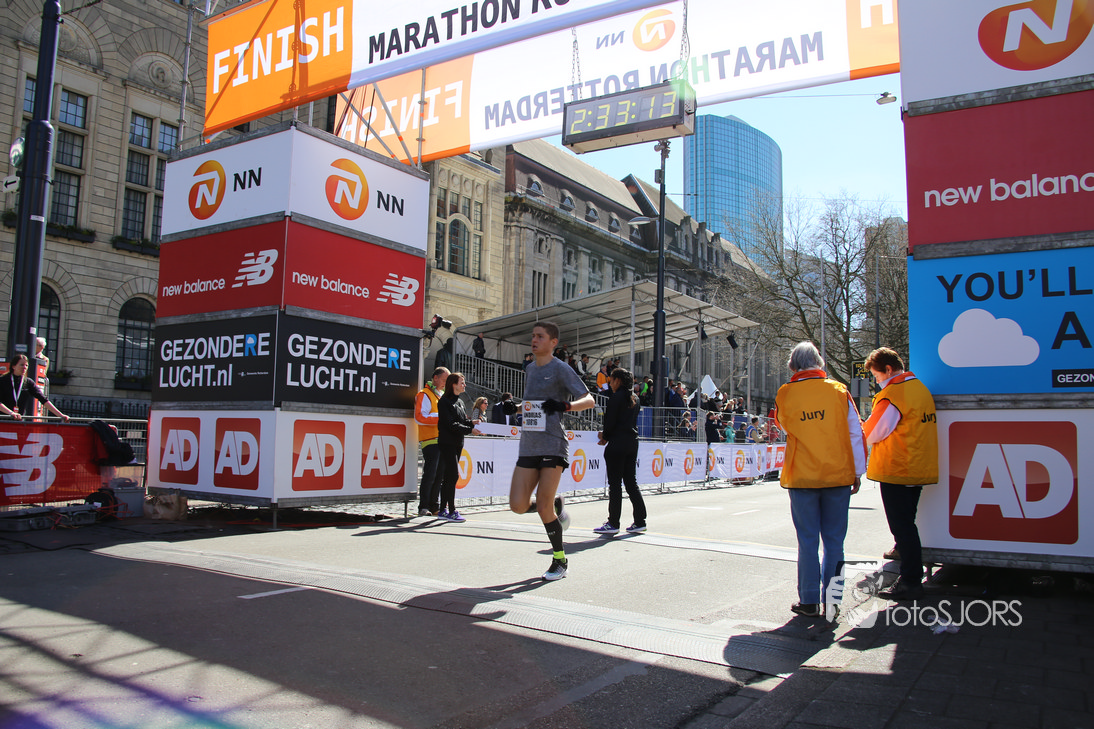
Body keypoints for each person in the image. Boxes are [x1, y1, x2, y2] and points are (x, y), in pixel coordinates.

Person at [773, 342, 866, 619]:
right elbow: (855, 432)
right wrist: (857, 472)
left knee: (807, 541)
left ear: (793, 365)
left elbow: (781, 424)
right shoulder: (839, 391)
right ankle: (833, 602)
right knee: (835, 542)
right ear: (819, 362)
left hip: (802, 476)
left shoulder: (785, 393)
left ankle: (809, 600)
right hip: (837, 474)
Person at [509, 321, 595, 581]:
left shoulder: (561, 368)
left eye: (540, 336)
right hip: (528, 443)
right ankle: (557, 504)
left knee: (543, 505)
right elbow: (532, 405)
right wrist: (514, 408)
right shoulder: (530, 368)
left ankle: (560, 560)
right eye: (533, 336)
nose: (534, 340)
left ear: (553, 343)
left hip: (553, 443)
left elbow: (589, 400)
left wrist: (564, 406)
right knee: (517, 505)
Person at [862, 347, 938, 601]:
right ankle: (911, 577)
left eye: (876, 375)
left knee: (902, 528)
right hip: (918, 465)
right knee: (907, 525)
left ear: (888, 369)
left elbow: (873, 432)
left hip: (898, 468)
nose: (876, 381)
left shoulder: (894, 394)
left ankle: (911, 581)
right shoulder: (920, 389)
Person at [594, 368, 646, 536]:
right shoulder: (635, 398)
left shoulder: (616, 397)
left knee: (615, 485)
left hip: (617, 443)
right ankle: (640, 521)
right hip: (632, 442)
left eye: (611, 380)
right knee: (631, 483)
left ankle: (613, 522)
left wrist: (604, 436)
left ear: (618, 380)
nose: (610, 383)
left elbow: (610, 422)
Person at [437, 372, 481, 522]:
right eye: (462, 382)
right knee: (453, 475)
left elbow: (461, 421)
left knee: (449, 477)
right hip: (447, 443)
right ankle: (451, 510)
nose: (464, 385)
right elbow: (451, 424)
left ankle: (442, 510)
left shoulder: (460, 402)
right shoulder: (444, 402)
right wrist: (470, 430)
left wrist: (472, 423)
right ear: (453, 384)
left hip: (457, 443)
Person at [414, 367, 449, 516]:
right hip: (430, 441)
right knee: (430, 474)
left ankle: (434, 507)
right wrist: (441, 417)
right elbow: (420, 417)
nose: (445, 383)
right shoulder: (424, 394)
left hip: (442, 441)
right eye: (444, 380)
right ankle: (423, 506)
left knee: (439, 475)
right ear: (435, 378)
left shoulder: (440, 396)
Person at [0, 354, 70, 421]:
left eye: (26, 365)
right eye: (21, 365)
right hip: (3, 420)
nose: (24, 367)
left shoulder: (28, 382)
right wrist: (11, 413)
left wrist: (61, 415)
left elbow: (44, 400)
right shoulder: (2, 380)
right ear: (13, 366)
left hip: (19, 421)